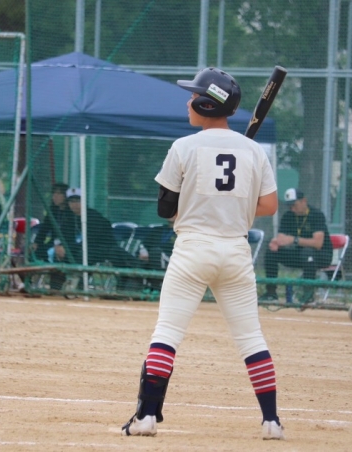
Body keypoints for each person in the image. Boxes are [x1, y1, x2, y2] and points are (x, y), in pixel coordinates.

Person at [121, 67, 284, 440]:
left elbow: (165, 208)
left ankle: (147, 417)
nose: (188, 101)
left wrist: (201, 203)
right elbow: (269, 205)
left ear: (207, 104)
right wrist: (232, 205)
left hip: (193, 249)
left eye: (194, 96)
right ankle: (271, 421)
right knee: (251, 338)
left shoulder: (184, 147)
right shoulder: (253, 150)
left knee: (167, 332)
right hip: (236, 252)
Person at [46, 187, 142, 290]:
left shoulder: (93, 217)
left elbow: (90, 242)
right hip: (81, 249)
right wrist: (60, 247)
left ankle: (80, 287)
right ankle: (55, 289)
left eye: (78, 201)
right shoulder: (69, 218)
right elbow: (66, 238)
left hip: (102, 249)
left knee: (82, 255)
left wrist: (68, 248)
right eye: (71, 201)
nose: (74, 204)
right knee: (57, 254)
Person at [259, 188, 333, 304]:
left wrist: (294, 240)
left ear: (304, 201)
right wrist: (276, 242)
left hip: (320, 256)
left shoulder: (316, 215)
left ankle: (308, 294)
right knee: (271, 252)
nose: (292, 208)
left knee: (308, 252)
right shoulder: (288, 216)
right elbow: (281, 237)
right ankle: (271, 293)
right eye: (290, 206)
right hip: (299, 255)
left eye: (294, 205)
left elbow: (318, 244)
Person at [31, 182, 70, 261]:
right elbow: (44, 229)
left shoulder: (71, 212)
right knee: (36, 251)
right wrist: (36, 243)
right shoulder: (53, 210)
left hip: (68, 244)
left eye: (59, 193)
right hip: (53, 243)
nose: (55, 196)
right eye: (54, 193)